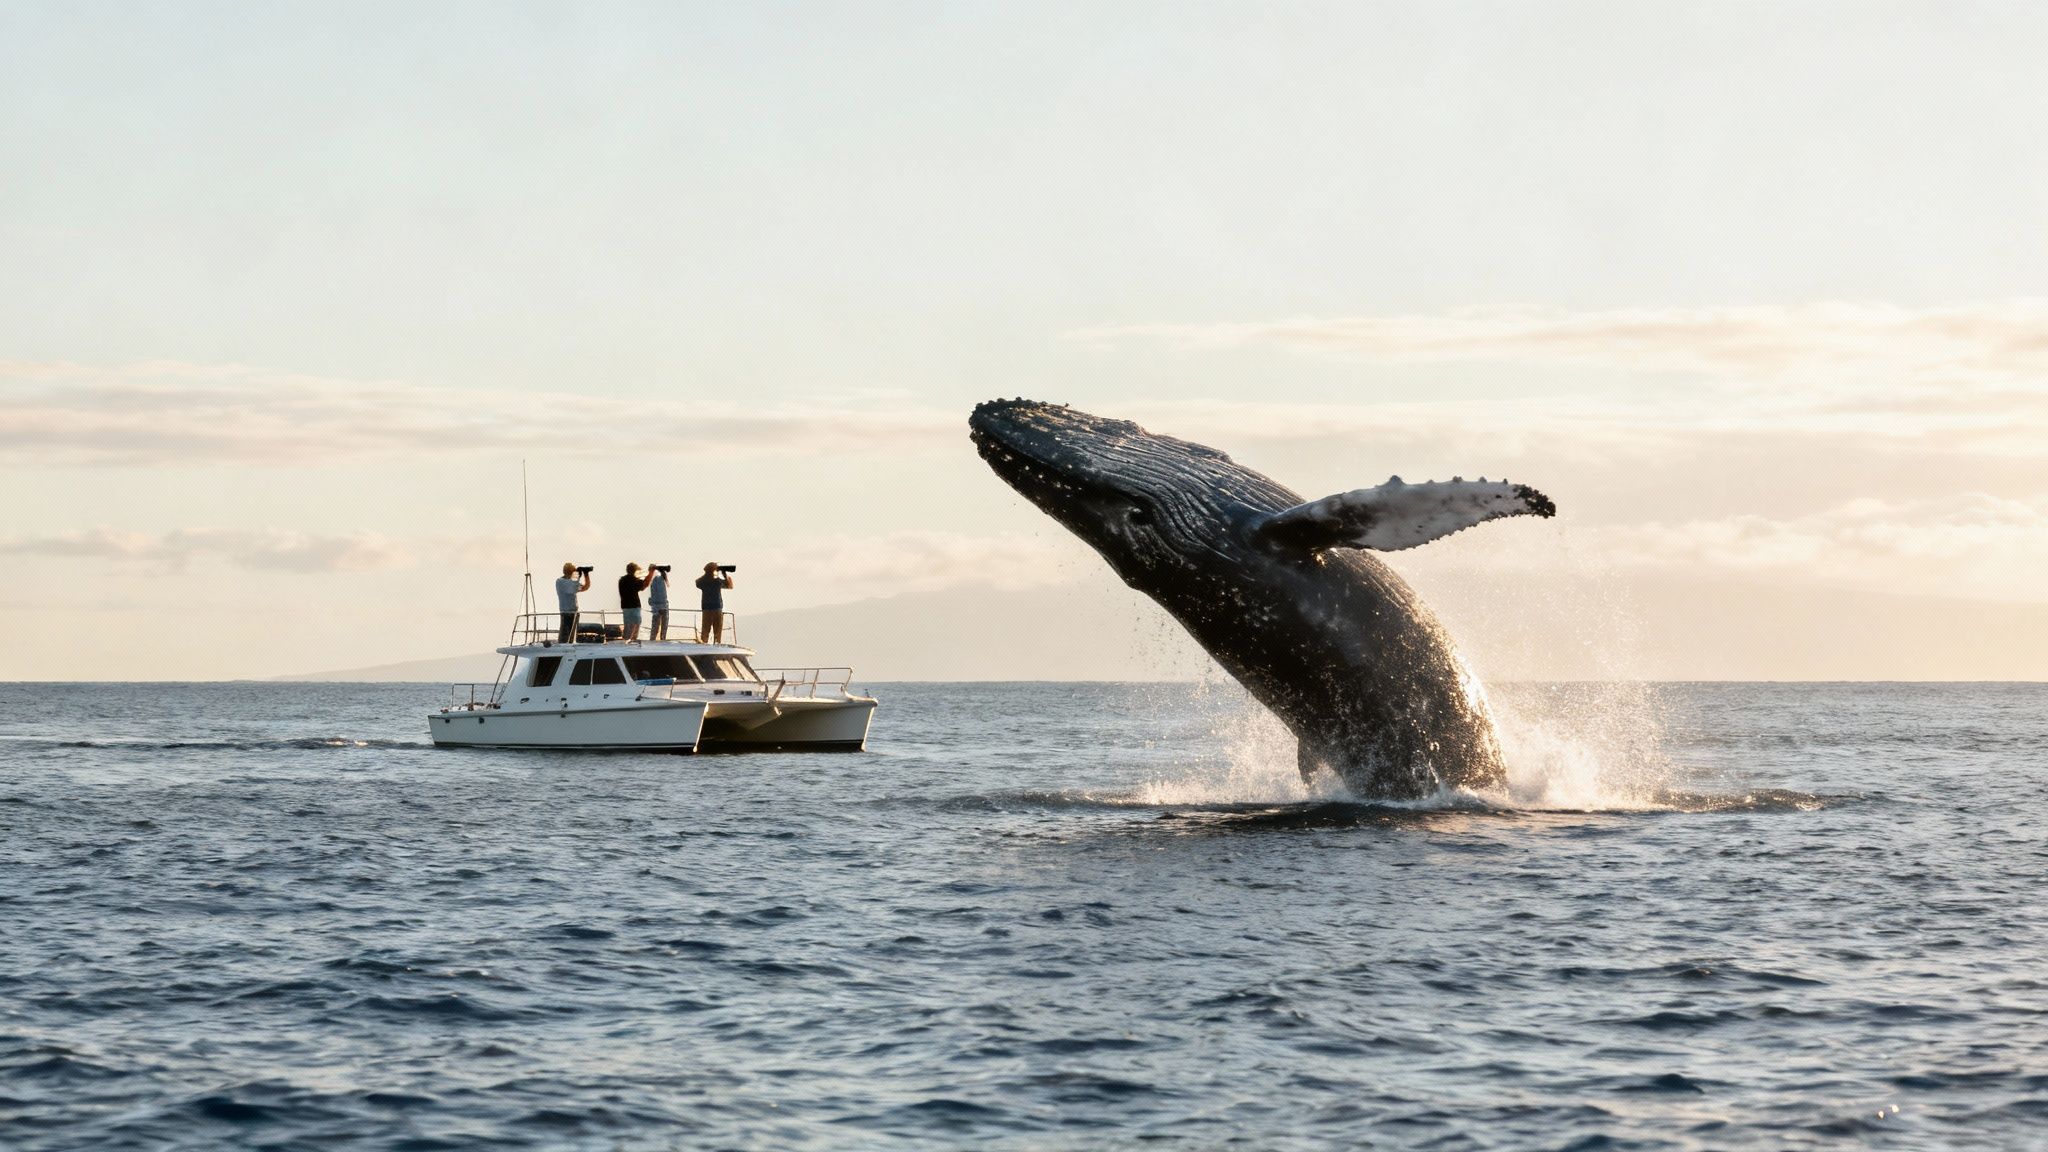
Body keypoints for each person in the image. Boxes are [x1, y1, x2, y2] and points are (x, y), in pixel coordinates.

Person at [696, 562, 734, 643]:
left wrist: (707, 573)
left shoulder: (703, 581)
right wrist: (724, 574)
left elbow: (697, 582)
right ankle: (717, 646)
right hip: (717, 608)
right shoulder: (717, 582)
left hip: (706, 609)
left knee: (705, 632)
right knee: (717, 633)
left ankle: (703, 647)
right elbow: (729, 586)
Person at [555, 562, 591, 643]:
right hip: (566, 613)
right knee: (565, 637)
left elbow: (585, 587)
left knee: (572, 637)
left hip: (574, 612)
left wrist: (586, 574)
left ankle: (569, 647)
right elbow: (571, 589)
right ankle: (562, 649)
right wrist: (576, 576)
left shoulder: (572, 582)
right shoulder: (560, 582)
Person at [618, 562, 654, 642]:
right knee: (636, 624)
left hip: (625, 606)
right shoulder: (633, 580)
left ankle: (626, 640)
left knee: (628, 626)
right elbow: (645, 584)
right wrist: (651, 572)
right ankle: (632, 641)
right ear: (635, 571)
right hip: (634, 606)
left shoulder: (622, 580)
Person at [648, 565, 671, 641]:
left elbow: (655, 594)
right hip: (663, 605)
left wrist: (651, 601)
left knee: (655, 628)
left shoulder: (655, 579)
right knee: (664, 628)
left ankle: (652, 641)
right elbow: (661, 594)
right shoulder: (660, 579)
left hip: (657, 607)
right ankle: (662, 641)